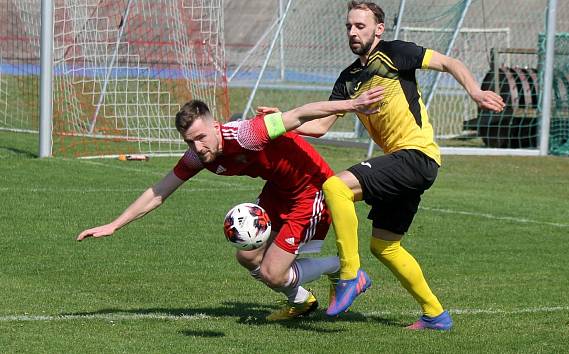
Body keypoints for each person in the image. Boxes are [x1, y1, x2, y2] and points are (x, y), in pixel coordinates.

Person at [76, 88, 384, 321]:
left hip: (311, 189)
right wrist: (114, 224)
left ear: (214, 126)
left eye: (200, 137)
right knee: (248, 257)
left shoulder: (247, 134)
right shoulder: (199, 155)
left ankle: (346, 271)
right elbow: (159, 190)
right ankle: (302, 301)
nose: (197, 147)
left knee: (273, 273)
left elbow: (300, 114)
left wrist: (352, 105)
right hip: (278, 190)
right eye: (189, 142)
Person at [297, 1, 505, 329]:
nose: (353, 32)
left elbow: (449, 62)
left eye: (360, 26)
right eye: (349, 26)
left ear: (378, 29)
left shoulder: (395, 53)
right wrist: (281, 123)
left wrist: (474, 91)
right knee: (385, 245)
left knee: (335, 186)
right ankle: (436, 314)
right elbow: (320, 127)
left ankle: (350, 276)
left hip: (415, 155)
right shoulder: (348, 79)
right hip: (405, 163)